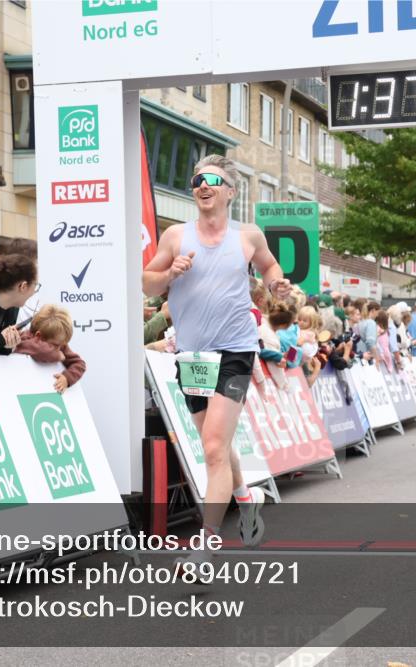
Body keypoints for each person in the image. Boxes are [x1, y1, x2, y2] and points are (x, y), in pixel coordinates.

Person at [142, 154, 291, 567]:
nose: (202, 185)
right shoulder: (175, 236)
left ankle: (206, 547)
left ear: (230, 190)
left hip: (235, 350)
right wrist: (170, 273)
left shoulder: (248, 236)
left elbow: (269, 267)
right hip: (192, 354)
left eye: (211, 179)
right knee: (216, 444)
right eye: (196, 180)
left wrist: (275, 283)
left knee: (211, 446)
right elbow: (147, 280)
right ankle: (245, 498)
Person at [14, 305, 86, 394]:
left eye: (62, 344)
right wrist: (58, 355)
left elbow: (80, 364)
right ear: (38, 336)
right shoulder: (23, 339)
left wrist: (67, 378)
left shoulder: (60, 344)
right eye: (55, 345)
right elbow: (41, 350)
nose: (60, 348)